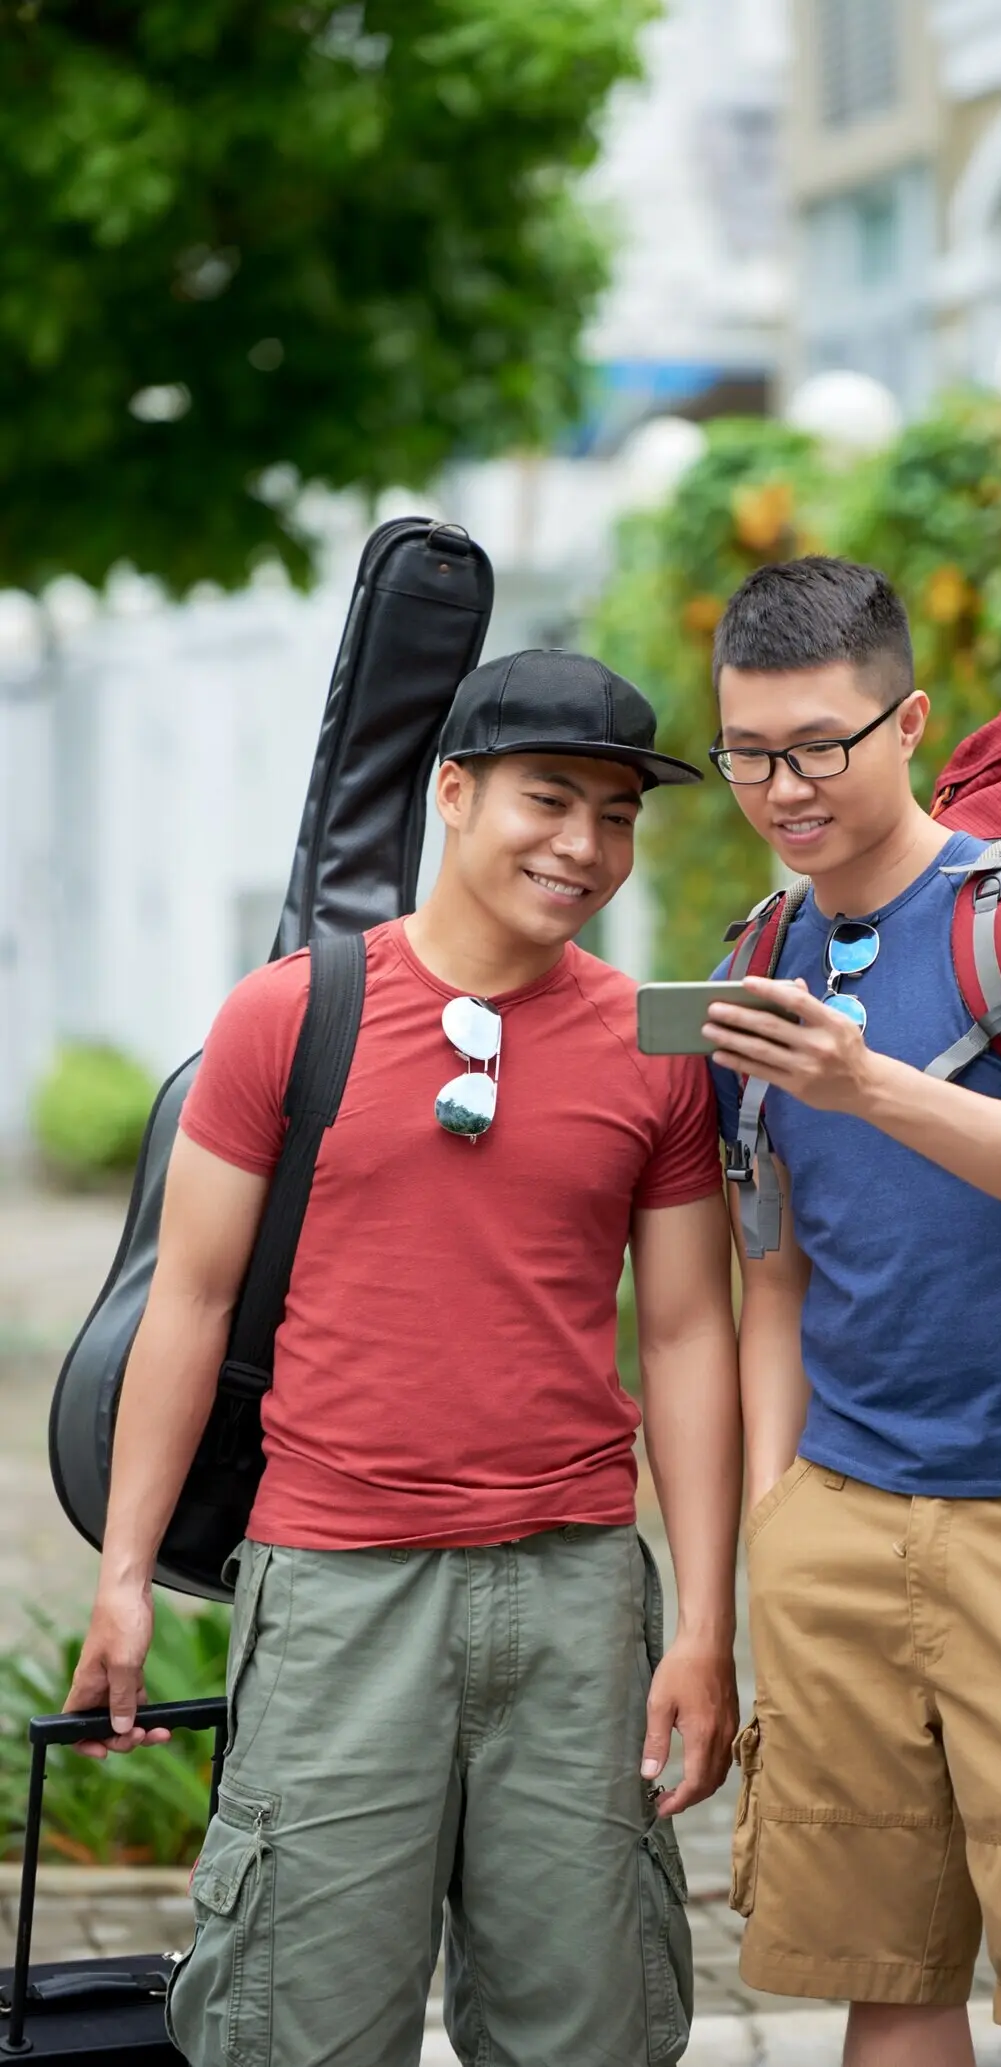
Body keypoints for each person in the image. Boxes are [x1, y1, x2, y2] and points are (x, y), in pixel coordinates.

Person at [63, 650, 742, 2067]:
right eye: (548, 799)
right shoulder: (288, 1016)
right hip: (335, 1592)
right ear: (452, 792)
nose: (584, 845)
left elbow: (686, 1331)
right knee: (299, 2029)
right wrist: (122, 1574)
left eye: (617, 814)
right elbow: (185, 1303)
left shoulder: (653, 1046)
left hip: (573, 1594)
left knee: (589, 2033)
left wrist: (705, 1622)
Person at [702, 558, 1001, 2067]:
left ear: (910, 721)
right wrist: (780, 1517)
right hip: (842, 1527)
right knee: (886, 1984)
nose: (785, 788)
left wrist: (868, 1082)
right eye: (750, 753)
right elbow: (771, 1267)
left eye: (821, 746)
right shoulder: (756, 962)